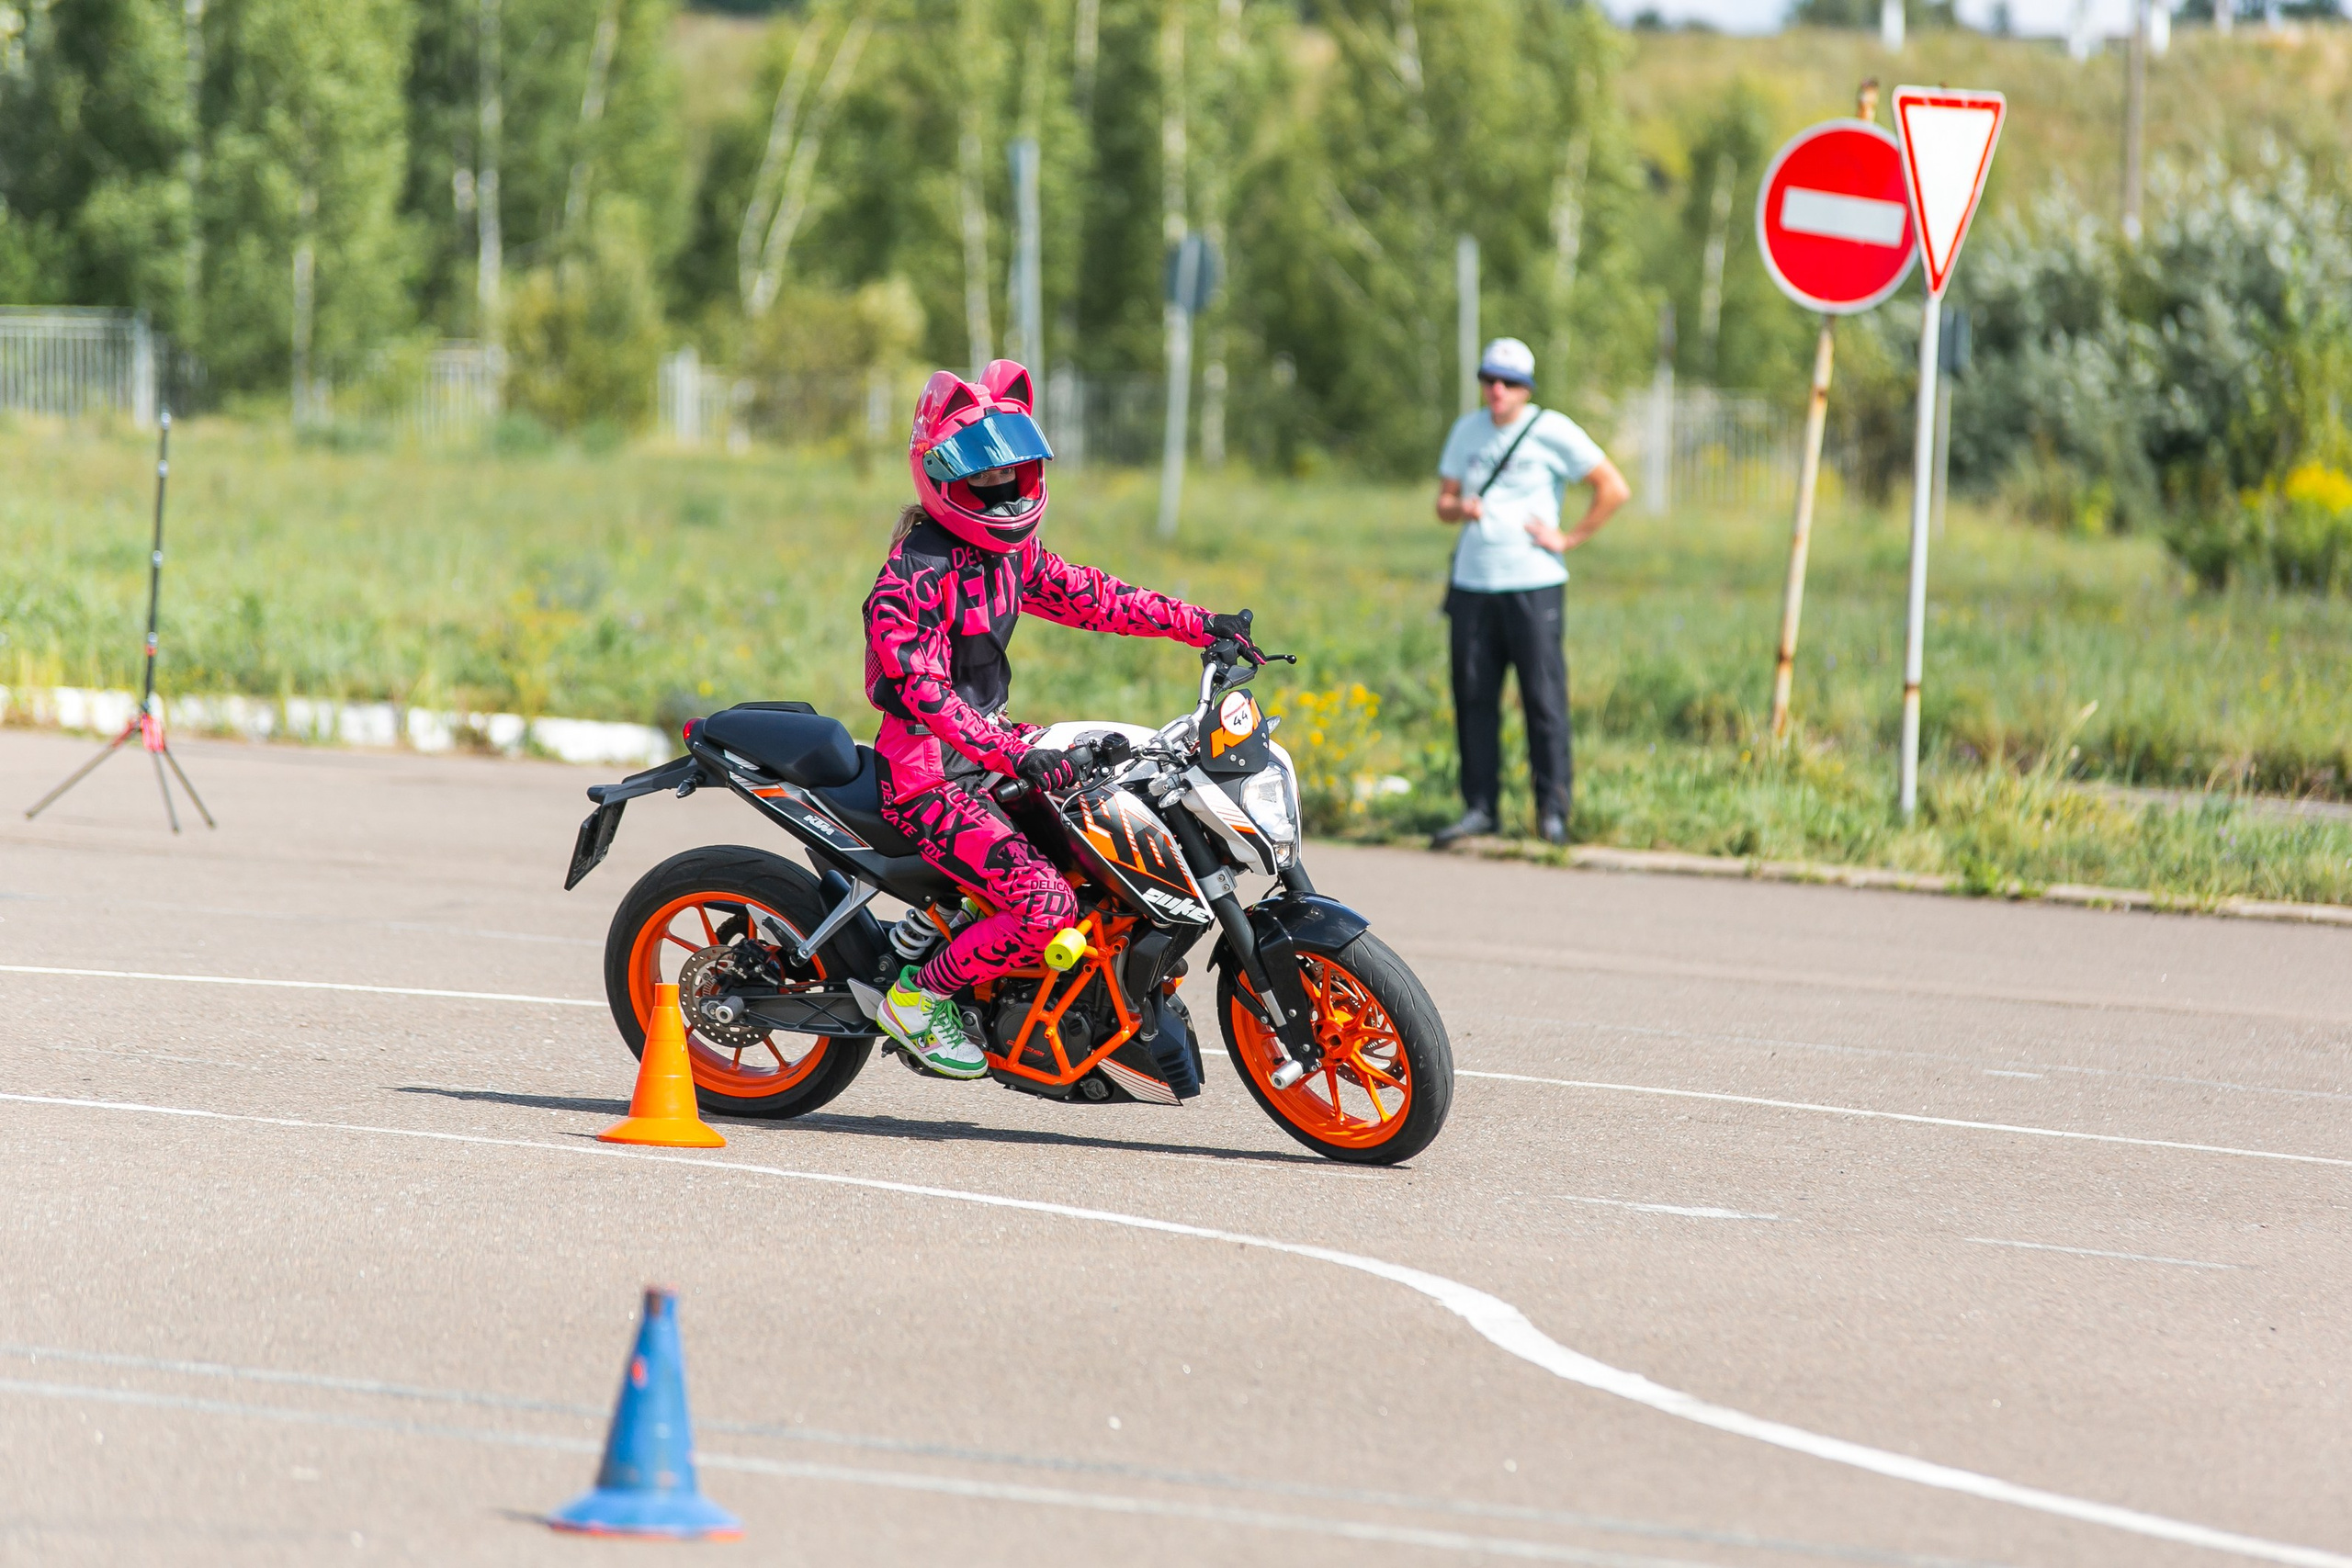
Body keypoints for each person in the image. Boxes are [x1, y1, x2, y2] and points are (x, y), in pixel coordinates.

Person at [863, 359, 1258, 1077]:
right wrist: (1014, 756)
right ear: (939, 476)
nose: (1000, 488)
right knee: (1045, 906)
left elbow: (1097, 598)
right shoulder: (910, 576)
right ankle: (920, 997)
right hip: (924, 773)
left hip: (990, 750)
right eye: (981, 476)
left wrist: (1202, 624)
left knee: (1115, 810)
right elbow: (925, 694)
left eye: (1010, 473)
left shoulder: (1010, 555)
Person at [1430, 337, 1630, 848]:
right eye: (1489, 378)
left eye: (1509, 381)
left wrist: (1568, 538)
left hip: (1533, 583)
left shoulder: (1551, 429)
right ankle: (1480, 808)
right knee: (1473, 697)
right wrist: (1461, 509)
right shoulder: (1466, 430)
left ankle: (1552, 813)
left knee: (1543, 699)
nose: (1497, 389)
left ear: (1526, 388)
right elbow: (1443, 502)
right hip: (1473, 582)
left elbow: (1612, 487)